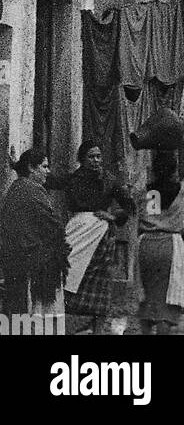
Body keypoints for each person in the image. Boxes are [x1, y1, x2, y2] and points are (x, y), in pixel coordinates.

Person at [48, 140, 134, 334]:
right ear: (81, 159)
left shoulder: (110, 180)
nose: (96, 160)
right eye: (91, 156)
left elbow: (129, 205)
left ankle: (98, 330)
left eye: (98, 156)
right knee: (66, 273)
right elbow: (49, 180)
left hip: (101, 236)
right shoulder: (73, 179)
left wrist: (112, 216)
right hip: (77, 231)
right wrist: (17, 166)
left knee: (101, 283)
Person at [0, 148, 70, 324]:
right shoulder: (33, 191)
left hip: (12, 259)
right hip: (29, 261)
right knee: (33, 313)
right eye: (44, 167)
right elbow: (53, 226)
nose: (47, 171)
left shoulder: (16, 187)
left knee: (15, 311)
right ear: (32, 168)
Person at [137, 135, 184, 335]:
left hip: (145, 243)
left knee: (149, 297)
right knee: (166, 301)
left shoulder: (149, 192)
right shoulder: (180, 189)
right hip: (169, 244)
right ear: (173, 171)